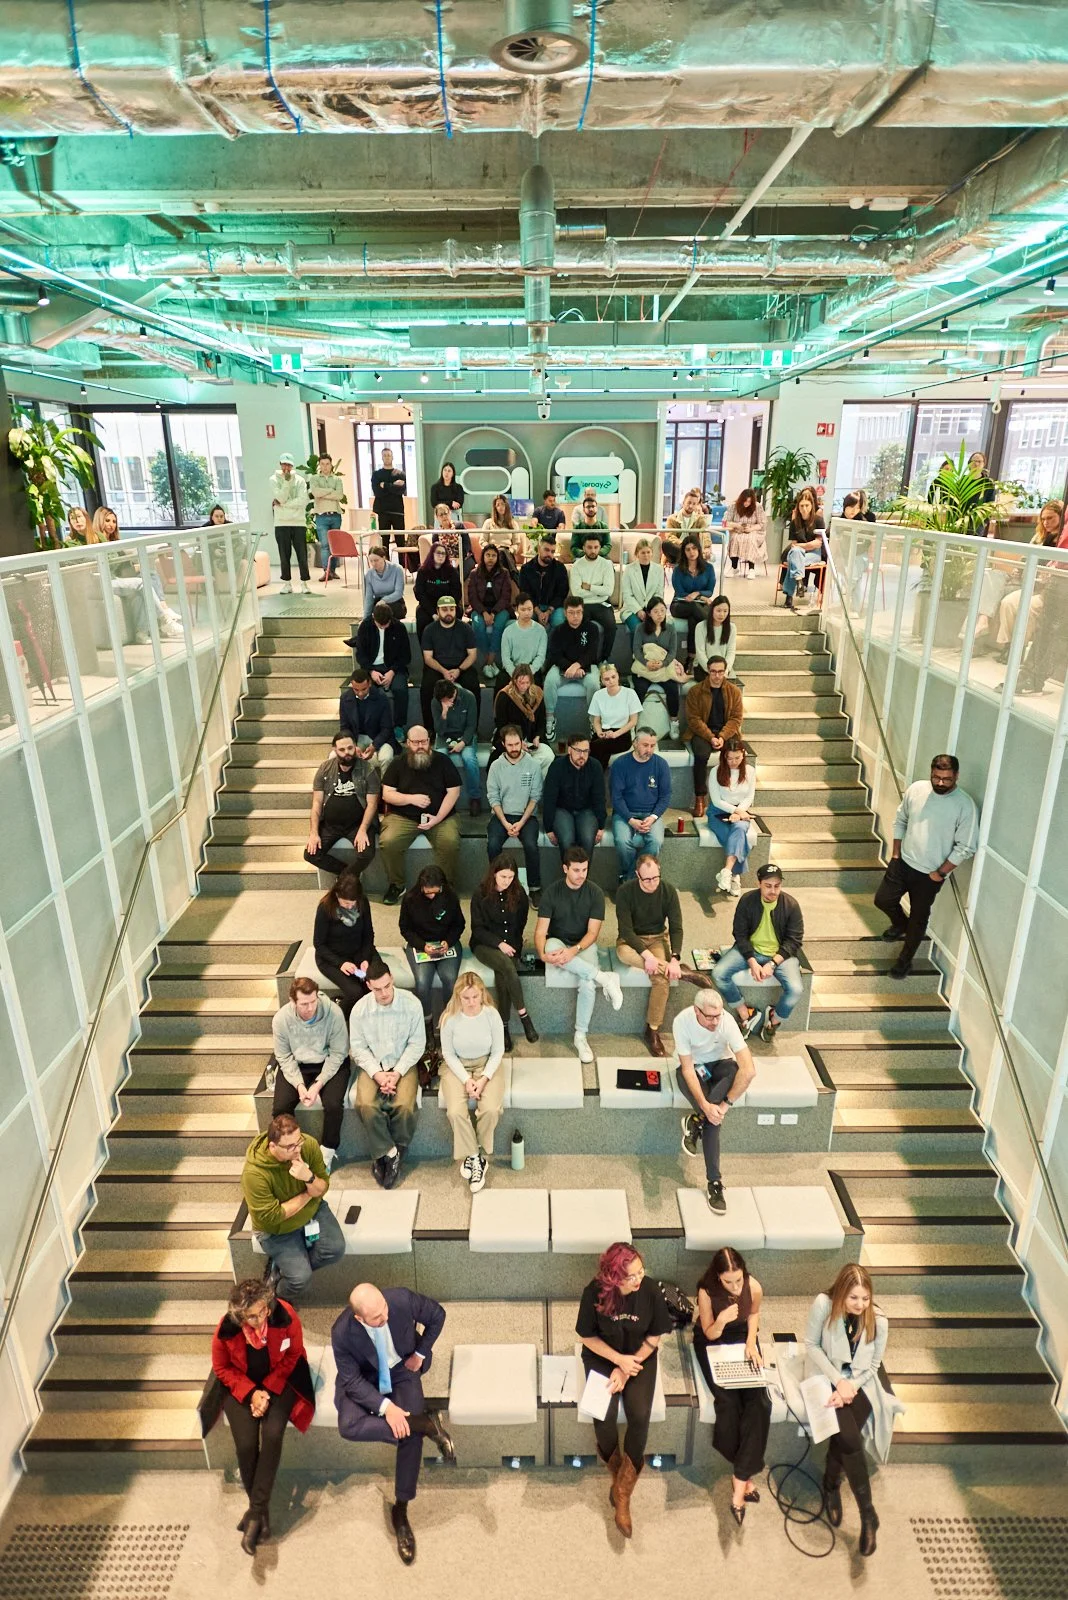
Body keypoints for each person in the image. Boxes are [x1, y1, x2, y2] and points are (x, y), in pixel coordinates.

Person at [332, 1282, 454, 1566]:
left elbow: (438, 1314)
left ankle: (401, 1511)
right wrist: (387, 1409)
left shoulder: (399, 1299)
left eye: (384, 1310)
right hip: (364, 1379)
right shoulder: (342, 1332)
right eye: (376, 1318)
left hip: (402, 1370)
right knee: (348, 1425)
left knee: (408, 1436)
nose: (384, 1317)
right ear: (360, 1319)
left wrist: (421, 1353)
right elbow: (351, 1380)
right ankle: (424, 1424)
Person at [210, 1277, 316, 1555]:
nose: (256, 1321)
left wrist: (266, 1391)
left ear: (267, 1306)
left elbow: (293, 1356)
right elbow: (221, 1369)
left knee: (271, 1435)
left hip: (281, 1379)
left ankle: (255, 1514)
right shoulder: (226, 1328)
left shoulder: (285, 1315)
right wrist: (251, 1393)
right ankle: (261, 1515)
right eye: (249, 1317)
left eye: (260, 1313)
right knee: (245, 1446)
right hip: (241, 1385)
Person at [576, 1244, 674, 1536]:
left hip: (639, 1355)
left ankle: (622, 1493)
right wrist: (617, 1362)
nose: (639, 1279)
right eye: (632, 1276)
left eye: (641, 1272)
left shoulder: (651, 1291)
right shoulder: (593, 1293)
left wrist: (628, 1365)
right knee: (602, 1412)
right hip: (603, 1356)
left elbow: (655, 1336)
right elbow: (587, 1337)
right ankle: (619, 1476)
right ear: (614, 1279)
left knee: (639, 1412)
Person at [804, 1263, 902, 1556]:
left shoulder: (879, 1321)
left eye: (865, 1298)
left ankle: (832, 1484)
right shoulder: (824, 1304)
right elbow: (811, 1345)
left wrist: (851, 1387)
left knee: (846, 1437)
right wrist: (837, 1382)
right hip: (825, 1374)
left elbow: (873, 1366)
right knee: (849, 1438)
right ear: (842, 1294)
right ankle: (866, 1511)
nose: (860, 1305)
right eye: (853, 1298)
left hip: (859, 1383)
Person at [874, 754, 978, 978]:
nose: (940, 783)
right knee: (882, 900)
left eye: (946, 779)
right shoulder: (917, 790)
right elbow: (901, 819)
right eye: (936, 777)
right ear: (931, 773)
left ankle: (904, 961)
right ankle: (900, 924)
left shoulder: (964, 805)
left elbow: (966, 846)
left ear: (956, 776)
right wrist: (895, 854)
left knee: (919, 919)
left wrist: (940, 873)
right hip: (902, 863)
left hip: (929, 875)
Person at [693, 1247, 772, 1521]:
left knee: (760, 1402)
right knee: (727, 1402)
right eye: (729, 1282)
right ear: (718, 1278)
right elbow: (707, 1332)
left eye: (739, 1280)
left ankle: (739, 1479)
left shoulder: (754, 1286)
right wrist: (721, 1319)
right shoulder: (706, 1292)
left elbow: (754, 1315)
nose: (736, 1287)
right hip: (714, 1339)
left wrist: (751, 1343)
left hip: (741, 1338)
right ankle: (744, 1478)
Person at [240, 1113, 344, 1301]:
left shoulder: (308, 1145)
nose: (297, 1150)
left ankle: (284, 1266)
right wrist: (308, 1193)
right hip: (277, 1231)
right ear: (273, 1146)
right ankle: (275, 1295)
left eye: (299, 1142)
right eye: (290, 1147)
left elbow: (322, 1187)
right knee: (299, 1279)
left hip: (312, 1212)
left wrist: (309, 1178)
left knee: (335, 1249)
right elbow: (273, 1217)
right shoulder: (254, 1174)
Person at [616, 853, 712, 1056]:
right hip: (632, 941)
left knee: (661, 979)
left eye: (655, 877)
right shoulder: (625, 892)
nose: (652, 883)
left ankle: (652, 1030)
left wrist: (675, 958)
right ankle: (685, 974)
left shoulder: (668, 891)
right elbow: (626, 930)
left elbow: (676, 927)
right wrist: (647, 956)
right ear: (637, 875)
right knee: (622, 954)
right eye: (647, 879)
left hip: (658, 937)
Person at [534, 846, 623, 1062]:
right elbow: (540, 932)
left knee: (587, 983)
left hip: (583, 944)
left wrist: (575, 950)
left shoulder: (595, 893)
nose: (581, 875)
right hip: (557, 941)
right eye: (576, 870)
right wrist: (542, 955)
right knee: (550, 947)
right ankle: (605, 977)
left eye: (584, 869)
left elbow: (593, 933)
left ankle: (580, 1035)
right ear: (565, 869)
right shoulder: (552, 892)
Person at [677, 988, 756, 1213]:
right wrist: (705, 1107)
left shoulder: (727, 1022)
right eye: (709, 1017)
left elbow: (749, 1071)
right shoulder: (682, 1022)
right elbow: (687, 1069)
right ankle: (715, 1181)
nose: (714, 1022)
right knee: (713, 1119)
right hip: (695, 1068)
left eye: (718, 1016)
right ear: (696, 1011)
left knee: (734, 1070)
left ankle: (696, 1122)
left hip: (720, 1068)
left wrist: (722, 1107)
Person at [348, 958, 425, 1189]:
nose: (383, 993)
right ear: (369, 986)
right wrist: (378, 1074)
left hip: (404, 1063)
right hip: (374, 1065)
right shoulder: (360, 1010)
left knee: (404, 1105)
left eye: (387, 986)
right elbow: (358, 1048)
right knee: (366, 1105)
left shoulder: (411, 1004)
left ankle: (393, 1151)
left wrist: (398, 1073)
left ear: (392, 980)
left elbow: (417, 1043)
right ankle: (388, 1153)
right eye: (377, 988)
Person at [712, 863, 805, 1043]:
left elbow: (794, 941)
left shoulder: (791, 905)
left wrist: (772, 964)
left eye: (777, 886)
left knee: (796, 989)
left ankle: (773, 1021)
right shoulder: (747, 900)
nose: (773, 891)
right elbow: (740, 934)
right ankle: (745, 1014)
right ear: (759, 883)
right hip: (750, 949)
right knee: (719, 974)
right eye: (768, 886)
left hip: (780, 955)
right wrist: (752, 961)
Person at [270, 977, 350, 1170]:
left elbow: (339, 1053)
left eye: (313, 1001)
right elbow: (283, 1056)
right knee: (280, 1108)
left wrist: (317, 1084)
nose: (310, 1008)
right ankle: (289, 1151)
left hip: (329, 1061)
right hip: (297, 1064)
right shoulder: (281, 1019)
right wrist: (299, 1085)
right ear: (293, 1002)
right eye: (304, 1004)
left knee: (332, 1104)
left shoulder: (334, 1013)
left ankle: (327, 1152)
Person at [439, 971, 507, 1193]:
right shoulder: (449, 1018)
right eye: (465, 998)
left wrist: (484, 1078)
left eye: (475, 997)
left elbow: (498, 1051)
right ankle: (476, 1157)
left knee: (490, 1109)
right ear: (458, 996)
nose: (470, 1003)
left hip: (487, 1064)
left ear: (482, 994)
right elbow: (448, 1054)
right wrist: (467, 1080)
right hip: (458, 1067)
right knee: (455, 1112)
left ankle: (473, 1151)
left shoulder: (491, 1015)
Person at [378, 727, 461, 905]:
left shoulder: (443, 761)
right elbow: (387, 794)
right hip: (403, 817)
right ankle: (397, 885)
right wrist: (410, 799)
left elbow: (454, 792)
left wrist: (437, 818)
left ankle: (445, 886)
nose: (420, 746)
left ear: (429, 741)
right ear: (408, 743)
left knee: (450, 842)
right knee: (389, 841)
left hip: (440, 817)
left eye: (424, 742)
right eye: (415, 743)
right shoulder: (398, 763)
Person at [470, 856, 539, 1050]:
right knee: (508, 968)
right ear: (494, 874)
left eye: (511, 877)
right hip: (485, 944)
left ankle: (503, 1028)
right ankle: (524, 1016)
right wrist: (500, 943)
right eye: (503, 876)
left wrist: (514, 945)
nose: (507, 881)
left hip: (511, 945)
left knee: (503, 976)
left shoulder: (519, 894)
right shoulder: (480, 894)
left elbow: (521, 923)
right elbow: (478, 929)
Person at [399, 866, 465, 1032]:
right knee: (422, 982)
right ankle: (427, 1024)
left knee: (450, 979)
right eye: (428, 892)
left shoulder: (450, 897)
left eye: (435, 892)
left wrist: (448, 942)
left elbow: (459, 924)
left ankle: (449, 1021)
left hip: (446, 943)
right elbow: (405, 928)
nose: (432, 896)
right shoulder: (410, 899)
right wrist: (422, 945)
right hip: (420, 944)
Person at [305, 732, 379, 879]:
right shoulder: (324, 769)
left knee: (366, 854)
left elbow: (372, 804)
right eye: (342, 750)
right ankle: (348, 874)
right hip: (330, 825)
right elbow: (317, 802)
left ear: (355, 747)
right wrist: (313, 833)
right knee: (310, 854)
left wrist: (363, 829)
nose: (347, 753)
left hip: (358, 824)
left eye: (350, 748)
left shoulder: (367, 769)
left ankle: (346, 877)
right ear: (334, 750)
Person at [486, 725, 544, 900]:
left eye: (517, 744)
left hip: (527, 816)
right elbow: (493, 798)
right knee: (493, 845)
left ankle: (535, 887)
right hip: (501, 815)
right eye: (510, 745)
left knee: (531, 846)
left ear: (522, 742)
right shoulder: (496, 766)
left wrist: (521, 823)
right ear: (503, 744)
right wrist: (505, 823)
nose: (514, 748)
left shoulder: (533, 765)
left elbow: (535, 797)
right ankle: (495, 884)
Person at [313, 871, 378, 1021]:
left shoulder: (362, 902)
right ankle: (337, 1018)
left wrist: (365, 958)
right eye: (345, 903)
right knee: (355, 992)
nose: (349, 907)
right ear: (337, 896)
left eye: (352, 903)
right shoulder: (325, 908)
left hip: (358, 951)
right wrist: (340, 963)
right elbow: (319, 944)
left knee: (373, 983)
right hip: (332, 957)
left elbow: (369, 934)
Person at [684, 655, 744, 819]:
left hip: (726, 733)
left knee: (734, 756)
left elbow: (736, 719)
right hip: (703, 732)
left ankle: (732, 797)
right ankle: (700, 798)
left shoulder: (734, 692)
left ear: (726, 672)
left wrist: (723, 737)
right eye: (713, 672)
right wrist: (711, 737)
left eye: (720, 672)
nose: (717, 676)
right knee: (701, 756)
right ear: (707, 671)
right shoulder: (696, 691)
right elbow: (693, 719)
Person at [610, 726, 671, 881]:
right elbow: (616, 798)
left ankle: (628, 878)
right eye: (645, 745)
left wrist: (653, 817)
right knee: (622, 842)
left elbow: (665, 796)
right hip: (624, 813)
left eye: (652, 746)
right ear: (635, 743)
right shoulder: (620, 764)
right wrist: (631, 819)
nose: (649, 750)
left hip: (651, 814)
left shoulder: (661, 764)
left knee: (656, 841)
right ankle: (634, 877)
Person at [348, 602, 411, 739]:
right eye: (379, 624)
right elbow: (361, 655)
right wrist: (371, 671)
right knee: (364, 690)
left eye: (385, 625)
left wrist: (392, 671)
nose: (382, 627)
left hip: (393, 667)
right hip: (371, 668)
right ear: (374, 619)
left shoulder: (399, 628)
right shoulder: (365, 626)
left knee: (400, 689)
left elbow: (405, 656)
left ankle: (399, 726)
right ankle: (368, 727)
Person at [543, 597, 603, 738]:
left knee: (594, 683)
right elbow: (555, 655)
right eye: (571, 612)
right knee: (549, 681)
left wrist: (577, 666)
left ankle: (593, 720)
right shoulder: (558, 631)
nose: (575, 616)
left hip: (585, 667)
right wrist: (569, 667)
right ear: (565, 613)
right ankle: (550, 718)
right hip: (563, 667)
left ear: (583, 612)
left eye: (578, 612)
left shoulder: (592, 628)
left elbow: (592, 653)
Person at [542, 734, 607, 857]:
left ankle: (583, 875)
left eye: (586, 751)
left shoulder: (595, 766)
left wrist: (601, 825)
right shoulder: (557, 766)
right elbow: (549, 798)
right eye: (578, 751)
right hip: (562, 810)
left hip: (586, 810)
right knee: (566, 840)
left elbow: (599, 798)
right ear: (569, 750)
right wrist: (548, 828)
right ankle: (569, 874)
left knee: (588, 839)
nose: (582, 755)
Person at [419, 593, 478, 726]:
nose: (448, 613)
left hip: (461, 667)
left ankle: (473, 728)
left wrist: (459, 670)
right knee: (427, 686)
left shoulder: (465, 628)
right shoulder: (429, 630)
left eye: (451, 609)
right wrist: (443, 671)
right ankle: (430, 728)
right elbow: (428, 658)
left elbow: (472, 655)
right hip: (438, 668)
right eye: (444, 610)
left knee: (473, 685)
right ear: (437, 611)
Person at [707, 737, 756, 895]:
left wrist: (739, 812)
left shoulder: (749, 771)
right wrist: (735, 812)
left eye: (737, 758)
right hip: (717, 812)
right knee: (736, 835)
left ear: (743, 754)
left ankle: (727, 872)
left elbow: (749, 797)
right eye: (729, 758)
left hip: (741, 812)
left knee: (740, 828)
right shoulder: (716, 771)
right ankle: (735, 875)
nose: (733, 762)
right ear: (724, 756)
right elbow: (716, 800)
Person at [631, 597, 683, 734]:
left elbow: (672, 652)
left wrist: (663, 663)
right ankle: (632, 724)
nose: (660, 614)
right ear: (649, 613)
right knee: (639, 689)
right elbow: (636, 650)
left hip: (663, 667)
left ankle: (674, 721)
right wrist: (646, 663)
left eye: (662, 610)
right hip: (645, 667)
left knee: (673, 689)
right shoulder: (640, 628)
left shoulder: (671, 629)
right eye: (656, 611)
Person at [491, 663, 554, 776]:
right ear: (515, 680)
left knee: (549, 755)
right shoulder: (505, 696)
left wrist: (538, 736)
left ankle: (537, 785)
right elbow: (501, 725)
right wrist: (518, 742)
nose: (524, 686)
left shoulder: (537, 694)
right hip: (512, 741)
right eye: (521, 682)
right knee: (519, 759)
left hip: (532, 741)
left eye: (527, 683)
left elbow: (541, 721)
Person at [431, 679, 481, 817]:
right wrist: (444, 713)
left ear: (454, 692)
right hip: (445, 735)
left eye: (449, 699)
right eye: (443, 700)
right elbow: (439, 731)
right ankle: (442, 797)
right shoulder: (436, 702)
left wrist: (463, 742)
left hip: (464, 734)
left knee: (469, 759)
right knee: (439, 758)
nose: (447, 701)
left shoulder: (469, 697)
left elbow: (472, 725)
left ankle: (475, 797)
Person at [465, 540, 513, 678]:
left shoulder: (504, 573)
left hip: (500, 609)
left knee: (499, 626)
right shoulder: (474, 573)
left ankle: (488, 661)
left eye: (493, 555)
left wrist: (493, 613)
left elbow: (506, 596)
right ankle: (490, 662)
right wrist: (484, 613)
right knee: (478, 625)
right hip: (480, 609)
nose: (490, 558)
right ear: (483, 556)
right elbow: (472, 597)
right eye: (488, 555)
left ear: (497, 558)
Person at [670, 532, 717, 661]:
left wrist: (698, 594)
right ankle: (713, 627)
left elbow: (710, 591)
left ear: (699, 549)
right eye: (688, 549)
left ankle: (691, 659)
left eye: (694, 548)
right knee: (693, 607)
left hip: (699, 604)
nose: (692, 552)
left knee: (693, 621)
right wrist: (701, 597)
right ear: (684, 552)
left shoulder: (708, 568)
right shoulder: (678, 569)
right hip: (680, 604)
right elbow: (680, 593)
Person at [569, 532, 617, 658]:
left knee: (611, 627)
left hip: (602, 604)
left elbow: (608, 591)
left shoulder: (606, 564)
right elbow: (576, 593)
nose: (593, 550)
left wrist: (589, 587)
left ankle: (604, 660)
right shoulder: (577, 566)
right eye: (589, 547)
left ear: (600, 547)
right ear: (583, 548)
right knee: (579, 627)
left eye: (596, 547)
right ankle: (582, 659)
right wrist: (598, 590)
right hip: (583, 604)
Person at [269, 454, 310, 594]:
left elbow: (303, 500)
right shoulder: (273, 480)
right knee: (284, 554)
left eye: (289, 465)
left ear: (292, 466)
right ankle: (287, 583)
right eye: (284, 464)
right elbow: (280, 497)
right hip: (281, 523)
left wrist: (284, 505)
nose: (286, 467)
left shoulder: (300, 480)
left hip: (298, 522)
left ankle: (304, 583)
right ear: (280, 464)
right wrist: (286, 483)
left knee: (302, 554)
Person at [781, 485, 826, 611]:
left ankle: (789, 596)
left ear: (812, 505)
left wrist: (801, 546)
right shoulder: (795, 522)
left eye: (807, 505)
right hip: (798, 553)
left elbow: (818, 543)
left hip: (813, 554)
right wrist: (801, 547)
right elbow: (794, 544)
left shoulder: (818, 519)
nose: (804, 509)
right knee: (795, 554)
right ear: (798, 507)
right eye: (801, 506)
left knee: (793, 559)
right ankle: (800, 581)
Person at [589, 661, 642, 768]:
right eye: (607, 679)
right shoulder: (598, 695)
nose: (611, 681)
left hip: (622, 735)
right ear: (602, 681)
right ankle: (598, 778)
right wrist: (599, 732)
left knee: (595, 747)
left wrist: (615, 734)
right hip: (604, 733)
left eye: (613, 677)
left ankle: (594, 778)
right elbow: (596, 721)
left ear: (618, 676)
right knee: (598, 748)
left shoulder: (630, 693)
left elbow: (633, 721)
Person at [339, 667, 395, 761]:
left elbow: (387, 728)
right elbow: (344, 727)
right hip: (357, 737)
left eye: (364, 689)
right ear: (351, 685)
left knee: (386, 758)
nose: (360, 693)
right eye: (356, 690)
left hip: (379, 737)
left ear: (369, 684)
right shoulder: (345, 699)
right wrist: (352, 745)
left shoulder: (381, 698)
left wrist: (375, 745)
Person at [307, 453, 345, 581]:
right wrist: (330, 491)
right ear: (319, 465)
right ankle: (326, 571)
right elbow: (315, 492)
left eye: (327, 464)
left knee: (334, 545)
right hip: (321, 516)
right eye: (322, 464)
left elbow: (339, 495)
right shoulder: (314, 479)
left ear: (331, 465)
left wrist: (323, 493)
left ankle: (333, 571)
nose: (325, 467)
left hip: (335, 516)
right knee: (324, 545)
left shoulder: (337, 480)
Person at [520, 533, 570, 630]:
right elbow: (525, 593)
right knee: (525, 621)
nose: (549, 554)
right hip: (532, 606)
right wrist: (538, 612)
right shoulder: (526, 569)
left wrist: (548, 611)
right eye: (546, 550)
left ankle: (552, 645)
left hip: (553, 607)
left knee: (559, 622)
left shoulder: (560, 568)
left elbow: (561, 593)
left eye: (552, 551)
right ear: (539, 549)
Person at [414, 541, 462, 639]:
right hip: (429, 606)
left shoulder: (452, 572)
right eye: (438, 553)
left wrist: (445, 610)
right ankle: (426, 650)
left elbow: (457, 593)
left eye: (443, 553)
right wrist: (433, 613)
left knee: (458, 612)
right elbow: (420, 594)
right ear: (432, 554)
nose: (441, 556)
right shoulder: (423, 571)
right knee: (421, 616)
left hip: (448, 604)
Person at [620, 537, 665, 633]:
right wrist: (638, 611)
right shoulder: (629, 569)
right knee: (638, 629)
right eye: (643, 553)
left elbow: (659, 593)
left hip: (652, 609)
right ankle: (636, 649)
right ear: (637, 554)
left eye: (648, 552)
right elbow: (627, 595)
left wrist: (651, 611)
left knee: (657, 629)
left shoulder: (659, 569)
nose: (646, 555)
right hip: (631, 609)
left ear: (652, 553)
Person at [500, 592, 548, 680]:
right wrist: (515, 674)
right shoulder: (508, 631)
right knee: (501, 682)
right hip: (513, 670)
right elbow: (506, 658)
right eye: (523, 609)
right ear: (517, 609)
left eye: (529, 609)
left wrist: (529, 673)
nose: (527, 613)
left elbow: (540, 657)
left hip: (532, 670)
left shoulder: (540, 631)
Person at [664, 485, 711, 565]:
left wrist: (707, 547)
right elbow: (670, 536)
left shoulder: (700, 519)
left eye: (694, 504)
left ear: (697, 505)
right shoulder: (672, 519)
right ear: (683, 503)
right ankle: (686, 559)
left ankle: (686, 561)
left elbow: (705, 533)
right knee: (666, 544)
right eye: (689, 503)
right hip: (678, 549)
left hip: (693, 550)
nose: (691, 506)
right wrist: (683, 545)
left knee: (694, 550)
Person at [694, 594, 737, 680]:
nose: (722, 614)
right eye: (718, 610)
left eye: (725, 611)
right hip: (704, 667)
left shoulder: (732, 628)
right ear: (712, 610)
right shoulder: (701, 626)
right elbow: (700, 653)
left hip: (723, 668)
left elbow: (731, 652)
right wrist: (713, 671)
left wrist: (725, 670)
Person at [725, 488, 767, 577]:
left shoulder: (757, 507)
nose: (746, 504)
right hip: (737, 530)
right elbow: (725, 522)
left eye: (749, 502)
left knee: (750, 539)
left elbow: (762, 523)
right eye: (745, 501)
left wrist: (751, 529)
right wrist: (737, 525)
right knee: (735, 538)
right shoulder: (733, 506)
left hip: (754, 531)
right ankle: (734, 567)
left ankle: (751, 569)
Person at [480, 493, 524, 571]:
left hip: (508, 552)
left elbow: (516, 543)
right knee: (500, 552)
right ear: (495, 508)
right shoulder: (488, 522)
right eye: (498, 505)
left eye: (503, 504)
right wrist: (491, 548)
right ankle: (515, 575)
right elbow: (482, 542)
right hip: (492, 553)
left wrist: (511, 550)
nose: (501, 507)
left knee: (503, 552)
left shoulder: (513, 524)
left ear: (506, 506)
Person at [371, 445, 407, 540]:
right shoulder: (376, 475)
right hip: (383, 512)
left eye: (389, 455)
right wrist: (393, 486)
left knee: (400, 541)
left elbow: (401, 490)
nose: (387, 457)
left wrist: (386, 485)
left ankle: (401, 556)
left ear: (392, 457)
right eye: (385, 455)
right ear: (382, 458)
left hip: (398, 511)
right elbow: (378, 492)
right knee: (384, 541)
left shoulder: (400, 474)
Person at [362, 544, 407, 621]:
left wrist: (384, 600)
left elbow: (399, 592)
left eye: (376, 560)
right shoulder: (369, 574)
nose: (373, 564)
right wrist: (365, 618)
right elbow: (369, 597)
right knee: (379, 612)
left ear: (383, 558)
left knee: (388, 611)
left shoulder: (397, 569)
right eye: (371, 561)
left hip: (395, 601)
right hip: (378, 603)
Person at [569, 490, 611, 557]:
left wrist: (596, 553)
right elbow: (574, 547)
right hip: (582, 558)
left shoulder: (604, 526)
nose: (591, 509)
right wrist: (586, 554)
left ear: (597, 508)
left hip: (601, 557)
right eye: (588, 507)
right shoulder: (577, 527)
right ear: (583, 509)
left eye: (593, 506)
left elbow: (608, 545)